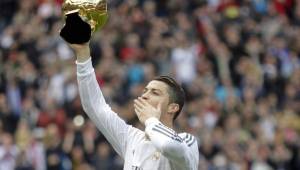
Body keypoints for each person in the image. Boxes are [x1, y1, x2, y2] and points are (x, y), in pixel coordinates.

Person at [70, 42, 199, 170]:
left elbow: (167, 145)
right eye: (145, 91)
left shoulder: (187, 141)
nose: (144, 96)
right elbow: (95, 107)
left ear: (172, 107)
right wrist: (83, 54)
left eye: (155, 92)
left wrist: (151, 120)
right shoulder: (131, 138)